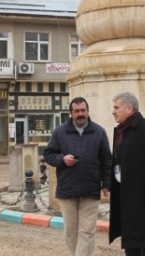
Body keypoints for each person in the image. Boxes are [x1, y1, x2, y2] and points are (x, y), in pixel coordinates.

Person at [43, 97, 112, 256]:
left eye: (83, 110)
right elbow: (48, 154)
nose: (80, 114)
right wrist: (62, 159)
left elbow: (107, 160)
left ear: (88, 111)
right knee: (71, 231)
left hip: (91, 188)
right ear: (71, 113)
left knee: (87, 231)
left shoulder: (99, 132)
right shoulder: (60, 132)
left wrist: (106, 184)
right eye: (77, 111)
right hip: (67, 190)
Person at [108, 92, 145, 256]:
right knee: (131, 244)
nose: (113, 111)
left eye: (116, 107)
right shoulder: (122, 131)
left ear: (129, 108)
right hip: (126, 199)